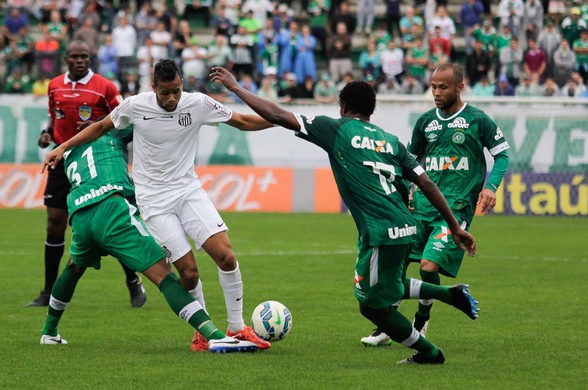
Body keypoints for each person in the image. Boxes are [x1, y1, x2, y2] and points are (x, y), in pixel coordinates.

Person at [209, 66, 480, 364]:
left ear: (343, 107)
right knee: (391, 284)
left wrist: (236, 87)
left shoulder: (336, 128)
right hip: (405, 226)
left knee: (372, 306)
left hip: (380, 232)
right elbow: (425, 182)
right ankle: (449, 294)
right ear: (371, 110)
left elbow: (276, 114)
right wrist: (455, 226)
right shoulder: (389, 140)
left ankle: (429, 353)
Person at [42, 59, 273, 352]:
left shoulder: (198, 103)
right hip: (153, 202)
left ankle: (237, 327)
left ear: (182, 85)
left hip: (189, 191)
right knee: (187, 272)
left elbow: (242, 122)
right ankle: (203, 334)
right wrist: (62, 148)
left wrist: (281, 119)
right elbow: (100, 127)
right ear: (154, 88)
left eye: (176, 90)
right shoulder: (135, 106)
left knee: (226, 256)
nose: (172, 98)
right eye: (165, 92)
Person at [361, 63, 510, 347]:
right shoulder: (426, 122)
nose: (437, 93)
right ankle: (387, 322)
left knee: (428, 266)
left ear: (460, 87)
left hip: (456, 208)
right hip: (421, 206)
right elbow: (408, 160)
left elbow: (502, 155)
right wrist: (404, 190)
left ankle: (420, 320)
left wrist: (491, 187)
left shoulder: (478, 120)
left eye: (443, 87)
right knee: (397, 263)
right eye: (433, 87)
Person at [30, 40, 146, 308]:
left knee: (111, 223)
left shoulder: (104, 87)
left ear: (90, 59)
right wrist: (47, 133)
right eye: (75, 56)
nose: (80, 60)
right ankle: (48, 291)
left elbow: (123, 118)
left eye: (84, 56)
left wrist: (96, 125)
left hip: (96, 159)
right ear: (66, 59)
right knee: (54, 224)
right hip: (61, 158)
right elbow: (53, 115)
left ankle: (132, 280)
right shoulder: (55, 84)